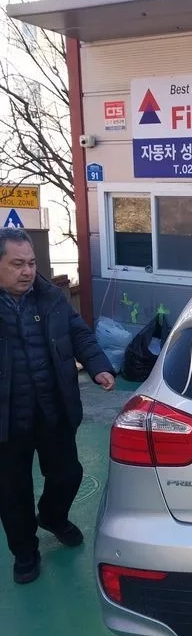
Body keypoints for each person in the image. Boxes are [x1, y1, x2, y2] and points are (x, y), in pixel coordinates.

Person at [0, 228, 115, 584]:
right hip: (7, 420)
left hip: (52, 408)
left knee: (68, 474)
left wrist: (98, 366)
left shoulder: (50, 298)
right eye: (17, 264)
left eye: (31, 263)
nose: (27, 271)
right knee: (12, 491)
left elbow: (79, 333)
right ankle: (25, 552)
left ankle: (52, 515)